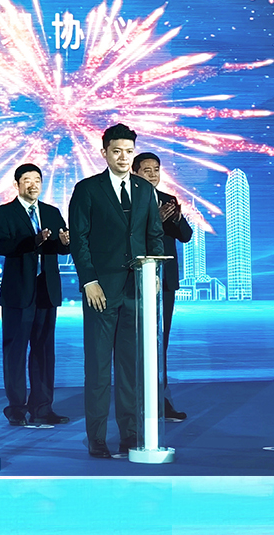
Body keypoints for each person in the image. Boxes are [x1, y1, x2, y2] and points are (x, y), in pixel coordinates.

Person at [68, 124, 163, 459]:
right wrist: (89, 281)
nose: (124, 157)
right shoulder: (87, 189)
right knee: (97, 368)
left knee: (130, 368)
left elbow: (154, 235)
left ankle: (130, 435)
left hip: (136, 290)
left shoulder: (144, 189)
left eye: (129, 151)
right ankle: (96, 438)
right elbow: (79, 240)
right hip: (101, 291)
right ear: (104, 152)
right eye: (117, 151)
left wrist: (153, 272)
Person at [0, 163, 70, 428]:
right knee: (15, 351)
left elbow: (60, 247)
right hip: (18, 292)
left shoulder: (51, 212)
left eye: (37, 179)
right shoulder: (4, 213)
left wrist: (65, 243)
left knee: (44, 351)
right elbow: (3, 245)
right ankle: (16, 408)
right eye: (27, 180)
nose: (33, 184)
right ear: (17, 184)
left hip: (46, 290)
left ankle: (42, 408)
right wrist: (33, 241)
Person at [132, 151, 193, 422]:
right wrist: (155, 218)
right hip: (136, 279)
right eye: (147, 170)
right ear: (135, 173)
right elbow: (129, 237)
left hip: (165, 281)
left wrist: (176, 219)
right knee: (136, 342)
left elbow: (186, 236)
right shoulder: (127, 201)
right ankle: (137, 400)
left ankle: (160, 399)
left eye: (156, 169)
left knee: (160, 341)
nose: (153, 174)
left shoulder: (168, 200)